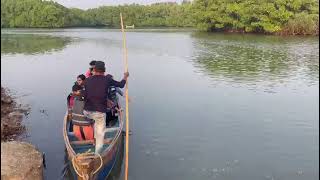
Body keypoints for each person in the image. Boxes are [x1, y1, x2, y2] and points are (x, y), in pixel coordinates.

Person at [82, 61, 129, 154]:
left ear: (94, 70)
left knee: (96, 122)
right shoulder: (107, 79)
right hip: (99, 113)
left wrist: (106, 101)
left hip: (86, 112)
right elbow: (121, 85)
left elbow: (88, 95)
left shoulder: (87, 80)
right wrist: (125, 76)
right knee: (100, 136)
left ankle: (94, 137)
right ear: (104, 71)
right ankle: (97, 155)